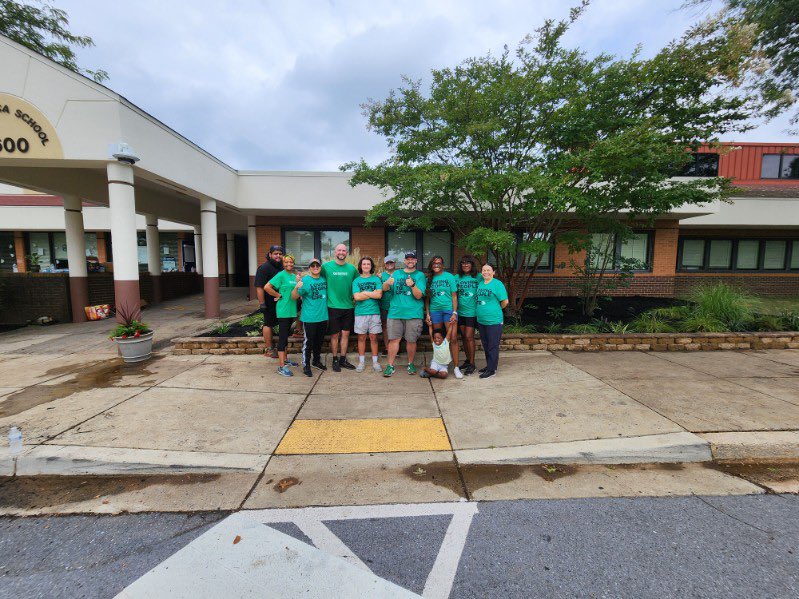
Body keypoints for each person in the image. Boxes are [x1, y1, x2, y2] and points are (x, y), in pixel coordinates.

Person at [383, 251, 426, 377]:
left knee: (411, 340)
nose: (410, 261)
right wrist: (386, 283)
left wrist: (412, 285)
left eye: (413, 259)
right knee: (393, 340)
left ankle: (410, 364)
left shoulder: (420, 275)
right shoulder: (396, 273)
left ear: (416, 261)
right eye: (408, 259)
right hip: (395, 312)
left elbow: (419, 296)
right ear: (404, 261)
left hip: (414, 313)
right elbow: (385, 289)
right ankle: (390, 366)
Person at [321, 243, 358, 372]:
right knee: (335, 335)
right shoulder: (326, 267)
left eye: (343, 250)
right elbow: (316, 277)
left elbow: (358, 283)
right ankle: (335, 359)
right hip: (333, 306)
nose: (341, 252)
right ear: (335, 252)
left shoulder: (352, 269)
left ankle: (343, 359)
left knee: (346, 334)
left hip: (348, 306)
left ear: (346, 253)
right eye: (339, 250)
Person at [425, 255, 462, 379]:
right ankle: (440, 365)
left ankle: (456, 367)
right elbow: (427, 300)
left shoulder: (449, 277)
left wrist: (454, 312)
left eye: (439, 263)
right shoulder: (429, 279)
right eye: (434, 263)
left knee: (453, 337)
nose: (436, 265)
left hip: (448, 311)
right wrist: (428, 314)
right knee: (438, 338)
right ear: (431, 265)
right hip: (435, 311)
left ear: (443, 265)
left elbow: (454, 296)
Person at [265, 254, 301, 377]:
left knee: (285, 337)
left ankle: (285, 360)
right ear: (283, 263)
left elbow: (296, 291)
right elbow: (267, 287)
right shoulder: (280, 275)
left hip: (292, 310)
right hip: (283, 311)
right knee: (282, 338)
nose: (289, 264)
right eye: (286, 262)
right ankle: (281, 367)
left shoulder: (292, 276)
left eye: (291, 262)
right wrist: (278, 295)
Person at [292, 258, 329, 377]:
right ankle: (306, 365)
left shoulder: (324, 280)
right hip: (309, 317)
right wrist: (297, 287)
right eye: (312, 266)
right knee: (309, 342)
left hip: (323, 316)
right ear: (309, 268)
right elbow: (294, 297)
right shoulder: (305, 280)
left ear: (320, 267)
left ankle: (316, 361)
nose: (315, 267)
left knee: (319, 341)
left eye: (317, 265)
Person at [475, 263, 509, 379]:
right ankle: (490, 365)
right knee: (486, 344)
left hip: (494, 320)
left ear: (493, 272)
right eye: (484, 270)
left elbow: (505, 301)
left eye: (488, 270)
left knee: (492, 345)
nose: (486, 272)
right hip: (481, 320)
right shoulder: (480, 283)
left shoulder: (497, 284)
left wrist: (495, 310)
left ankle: (492, 370)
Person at [352, 256, 383, 372]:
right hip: (360, 313)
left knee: (374, 337)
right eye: (364, 264)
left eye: (368, 264)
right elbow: (356, 297)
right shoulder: (356, 281)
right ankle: (361, 362)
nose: (366, 266)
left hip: (374, 312)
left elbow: (379, 295)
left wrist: (364, 292)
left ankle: (375, 362)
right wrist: (371, 293)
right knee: (361, 338)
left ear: (371, 266)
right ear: (361, 266)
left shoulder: (376, 280)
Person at [254, 245, 283, 358]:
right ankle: (270, 349)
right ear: (270, 254)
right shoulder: (264, 268)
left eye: (280, 254)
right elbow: (259, 287)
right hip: (269, 302)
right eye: (276, 253)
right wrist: (262, 303)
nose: (278, 256)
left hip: (281, 301)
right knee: (268, 324)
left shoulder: (281, 267)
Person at [456, 255, 479, 375]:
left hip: (472, 312)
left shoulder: (478, 277)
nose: (465, 265)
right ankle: (467, 360)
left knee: (469, 337)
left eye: (468, 263)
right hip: (460, 312)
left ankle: (472, 363)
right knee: (464, 337)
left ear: (472, 265)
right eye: (463, 263)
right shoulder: (457, 278)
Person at [379, 255, 396, 356]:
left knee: (396, 327)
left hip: (396, 305)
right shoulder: (380, 276)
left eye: (391, 263)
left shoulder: (398, 274)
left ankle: (395, 347)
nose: (389, 264)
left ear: (394, 264)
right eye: (387, 263)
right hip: (384, 304)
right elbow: (379, 289)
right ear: (385, 265)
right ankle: (387, 347)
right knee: (385, 326)